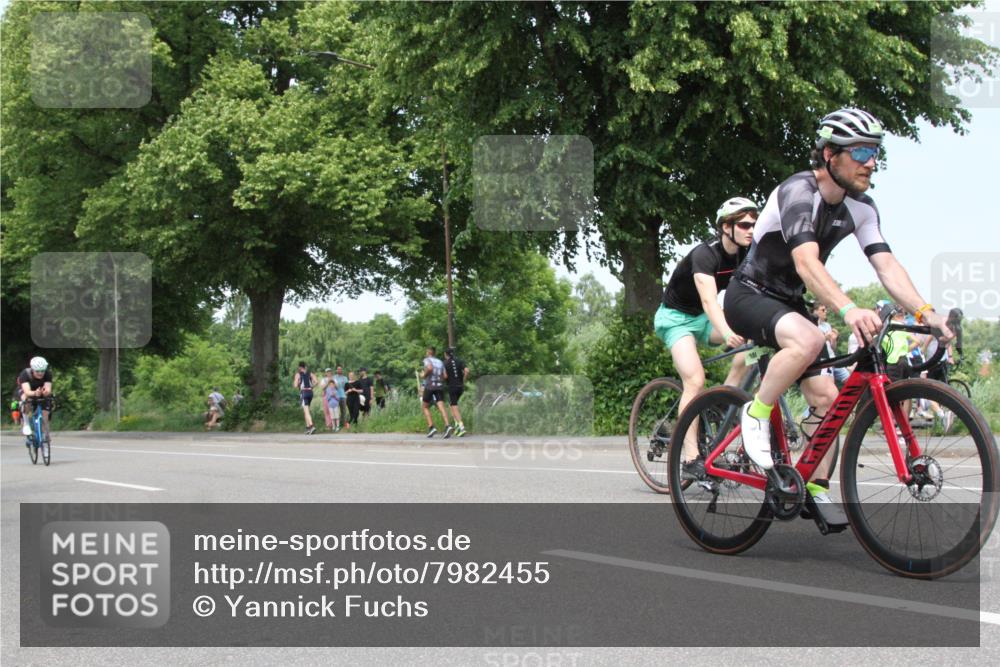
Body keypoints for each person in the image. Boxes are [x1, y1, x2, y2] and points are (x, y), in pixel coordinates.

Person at [724, 107, 953, 527]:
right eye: (861, 151)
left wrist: (926, 311)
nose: (871, 162)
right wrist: (848, 309)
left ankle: (813, 486)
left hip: (789, 304)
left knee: (830, 402)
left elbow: (886, 266)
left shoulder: (862, 208)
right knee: (810, 338)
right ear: (830, 154)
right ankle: (755, 413)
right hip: (749, 294)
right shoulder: (798, 191)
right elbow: (806, 262)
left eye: (875, 152)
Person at [653, 196, 756, 479]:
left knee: (753, 344)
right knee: (695, 380)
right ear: (726, 227)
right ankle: (689, 459)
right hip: (675, 320)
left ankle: (723, 399)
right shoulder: (705, 254)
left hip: (702, 318)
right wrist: (728, 333)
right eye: (744, 225)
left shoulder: (747, 253)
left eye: (753, 225)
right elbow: (710, 301)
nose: (750, 230)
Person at [421, 346, 452, 438]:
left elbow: (430, 368)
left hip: (430, 386)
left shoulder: (427, 360)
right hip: (439, 386)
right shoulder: (440, 362)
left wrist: (423, 375)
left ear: (428, 352)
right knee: (441, 406)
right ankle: (447, 425)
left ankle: (431, 427)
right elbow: (445, 376)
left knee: (425, 407)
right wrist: (438, 380)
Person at [18, 356, 53, 438]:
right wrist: (35, 393)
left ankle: (44, 434)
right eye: (37, 371)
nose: (40, 373)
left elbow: (48, 388)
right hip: (28, 390)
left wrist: (46, 392)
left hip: (40, 390)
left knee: (45, 413)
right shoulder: (25, 374)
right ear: (32, 369)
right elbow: (27, 391)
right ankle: (26, 424)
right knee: (26, 399)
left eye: (42, 371)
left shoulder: (48, 374)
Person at [444, 348, 470, 436]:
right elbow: (467, 370)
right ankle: (457, 425)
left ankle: (461, 426)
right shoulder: (459, 361)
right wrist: (463, 380)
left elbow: (445, 376)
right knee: (452, 405)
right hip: (460, 387)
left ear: (445, 354)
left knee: (454, 406)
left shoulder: (445, 363)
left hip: (452, 387)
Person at [293, 361, 318, 435]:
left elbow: (295, 385)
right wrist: (312, 386)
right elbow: (316, 382)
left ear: (300, 367)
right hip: (310, 392)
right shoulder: (310, 373)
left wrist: (298, 383)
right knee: (306, 410)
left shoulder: (298, 374)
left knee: (306, 411)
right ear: (305, 367)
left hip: (304, 393)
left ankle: (311, 426)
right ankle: (308, 428)